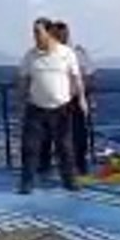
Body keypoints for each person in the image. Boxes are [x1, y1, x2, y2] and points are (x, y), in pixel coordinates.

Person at [17, 17, 88, 194]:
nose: (35, 36)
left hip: (61, 108)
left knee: (65, 148)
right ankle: (27, 183)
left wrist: (81, 100)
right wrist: (20, 102)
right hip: (36, 108)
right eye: (34, 32)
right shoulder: (30, 55)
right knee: (30, 147)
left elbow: (76, 78)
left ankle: (70, 181)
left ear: (48, 33)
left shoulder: (66, 54)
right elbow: (24, 80)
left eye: (38, 32)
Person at [38, 21, 96, 176]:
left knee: (79, 135)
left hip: (73, 99)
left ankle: (80, 166)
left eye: (63, 34)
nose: (60, 37)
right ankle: (44, 165)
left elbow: (89, 76)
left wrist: (86, 95)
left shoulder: (78, 53)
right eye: (57, 34)